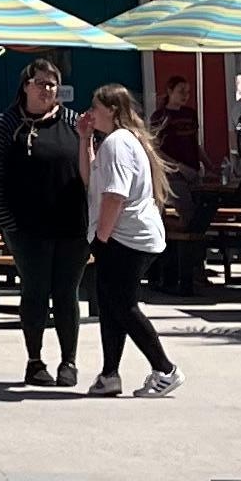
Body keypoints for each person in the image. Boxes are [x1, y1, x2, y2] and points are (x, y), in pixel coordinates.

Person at [0, 60, 90, 388]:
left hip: (73, 226)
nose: (48, 89)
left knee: (66, 293)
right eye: (41, 83)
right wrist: (7, 222)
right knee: (35, 291)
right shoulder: (6, 124)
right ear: (26, 86)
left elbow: (92, 167)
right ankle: (34, 361)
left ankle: (69, 361)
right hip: (27, 229)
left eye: (52, 84)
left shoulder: (74, 122)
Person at [85, 82, 181, 398]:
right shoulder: (115, 142)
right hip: (128, 235)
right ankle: (109, 373)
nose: (90, 112)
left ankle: (165, 369)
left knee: (122, 306)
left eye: (95, 107)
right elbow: (91, 180)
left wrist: (101, 238)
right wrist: (84, 139)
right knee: (111, 304)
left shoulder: (117, 143)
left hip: (126, 237)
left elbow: (115, 195)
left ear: (112, 110)